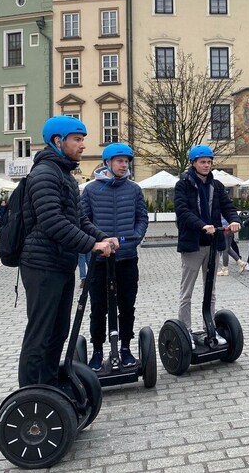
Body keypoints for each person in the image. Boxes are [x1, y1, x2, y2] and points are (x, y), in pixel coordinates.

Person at [18, 116, 117, 388]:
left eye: (83, 139)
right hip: (42, 266)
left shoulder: (64, 174)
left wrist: (101, 237)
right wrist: (90, 245)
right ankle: (30, 395)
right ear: (58, 141)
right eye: (77, 139)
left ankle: (50, 388)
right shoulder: (45, 174)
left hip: (60, 264)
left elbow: (79, 219)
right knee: (40, 334)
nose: (83, 145)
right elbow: (51, 221)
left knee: (58, 332)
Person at [81, 142, 149, 372]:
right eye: (119, 161)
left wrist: (133, 239)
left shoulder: (134, 189)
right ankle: (98, 351)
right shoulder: (90, 190)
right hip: (99, 262)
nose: (124, 165)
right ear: (108, 162)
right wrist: (100, 243)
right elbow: (84, 221)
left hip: (127, 258)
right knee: (98, 307)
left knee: (126, 306)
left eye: (126, 161)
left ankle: (126, 348)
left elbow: (142, 219)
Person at [174, 145, 241, 342]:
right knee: (187, 290)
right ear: (193, 163)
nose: (206, 165)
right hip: (193, 245)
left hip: (212, 245)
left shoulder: (217, 185)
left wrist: (234, 220)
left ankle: (209, 328)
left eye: (209, 162)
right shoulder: (183, 185)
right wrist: (203, 226)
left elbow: (227, 206)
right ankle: (185, 331)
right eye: (202, 162)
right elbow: (182, 211)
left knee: (210, 290)